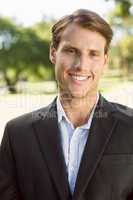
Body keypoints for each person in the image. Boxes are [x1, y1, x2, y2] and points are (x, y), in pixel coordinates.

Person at [0, 9, 133, 200]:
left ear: (105, 61)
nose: (81, 64)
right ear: (53, 53)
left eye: (93, 54)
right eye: (71, 51)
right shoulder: (16, 134)